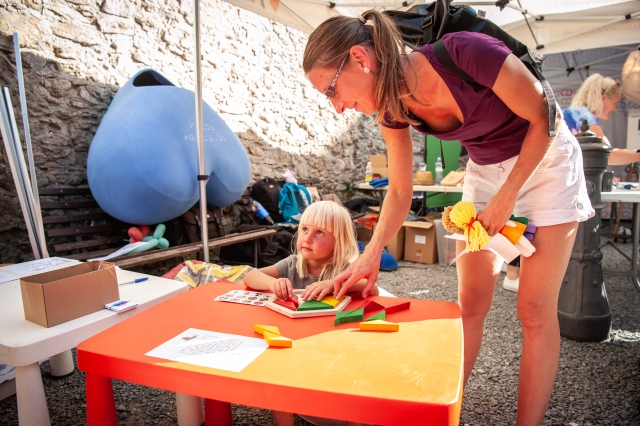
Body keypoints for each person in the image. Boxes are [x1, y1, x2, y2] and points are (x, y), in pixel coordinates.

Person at [303, 11, 592, 425]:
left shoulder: (466, 52)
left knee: (533, 309)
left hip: (545, 159)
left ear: (359, 58)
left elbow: (547, 116)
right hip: (486, 170)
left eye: (331, 90)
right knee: (470, 302)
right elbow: (399, 191)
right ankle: (445, 413)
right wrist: (371, 253)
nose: (336, 107)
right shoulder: (390, 109)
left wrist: (508, 197)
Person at [244, 200, 378, 426]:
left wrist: (333, 284)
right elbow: (250, 276)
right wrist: (271, 283)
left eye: (319, 233)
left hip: (335, 357)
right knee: (275, 369)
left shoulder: (344, 269)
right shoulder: (292, 264)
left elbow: (371, 288)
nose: (307, 238)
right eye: (305, 229)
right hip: (295, 352)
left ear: (339, 241)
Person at [563, 74, 638, 165]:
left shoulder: (578, 112)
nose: (615, 109)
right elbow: (607, 155)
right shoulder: (585, 116)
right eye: (615, 103)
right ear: (604, 97)